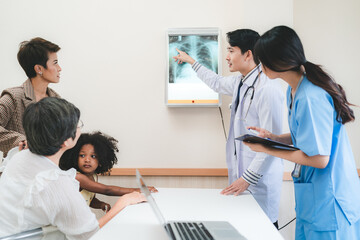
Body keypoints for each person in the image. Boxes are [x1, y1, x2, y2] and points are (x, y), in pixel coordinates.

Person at [246, 25, 360, 239]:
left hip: (330, 204)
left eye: (262, 62)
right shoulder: (294, 89)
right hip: (314, 200)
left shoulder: (311, 97)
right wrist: (273, 137)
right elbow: (307, 137)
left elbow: (319, 158)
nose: (260, 67)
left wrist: (267, 148)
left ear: (277, 61)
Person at [173, 29, 284, 227]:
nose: (226, 56)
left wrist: (246, 180)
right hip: (241, 183)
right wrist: (192, 61)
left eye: (231, 51)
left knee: (261, 230)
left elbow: (271, 143)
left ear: (248, 54)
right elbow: (216, 82)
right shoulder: (241, 82)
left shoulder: (267, 88)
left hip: (259, 185)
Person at [0, 97, 146, 239]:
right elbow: (88, 235)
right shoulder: (56, 183)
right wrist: (123, 202)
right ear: (66, 141)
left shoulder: (17, 157)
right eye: (77, 125)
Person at [59, 131, 157, 212]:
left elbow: (90, 199)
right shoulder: (78, 177)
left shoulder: (93, 176)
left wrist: (100, 204)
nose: (87, 160)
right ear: (74, 157)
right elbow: (107, 190)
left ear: (101, 160)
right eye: (82, 155)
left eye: (93, 156)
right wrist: (137, 190)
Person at [0, 37, 61, 157]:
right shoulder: (13, 97)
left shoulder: (58, 100)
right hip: (18, 172)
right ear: (39, 69)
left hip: (49, 171)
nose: (59, 68)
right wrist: (20, 141)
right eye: (55, 63)